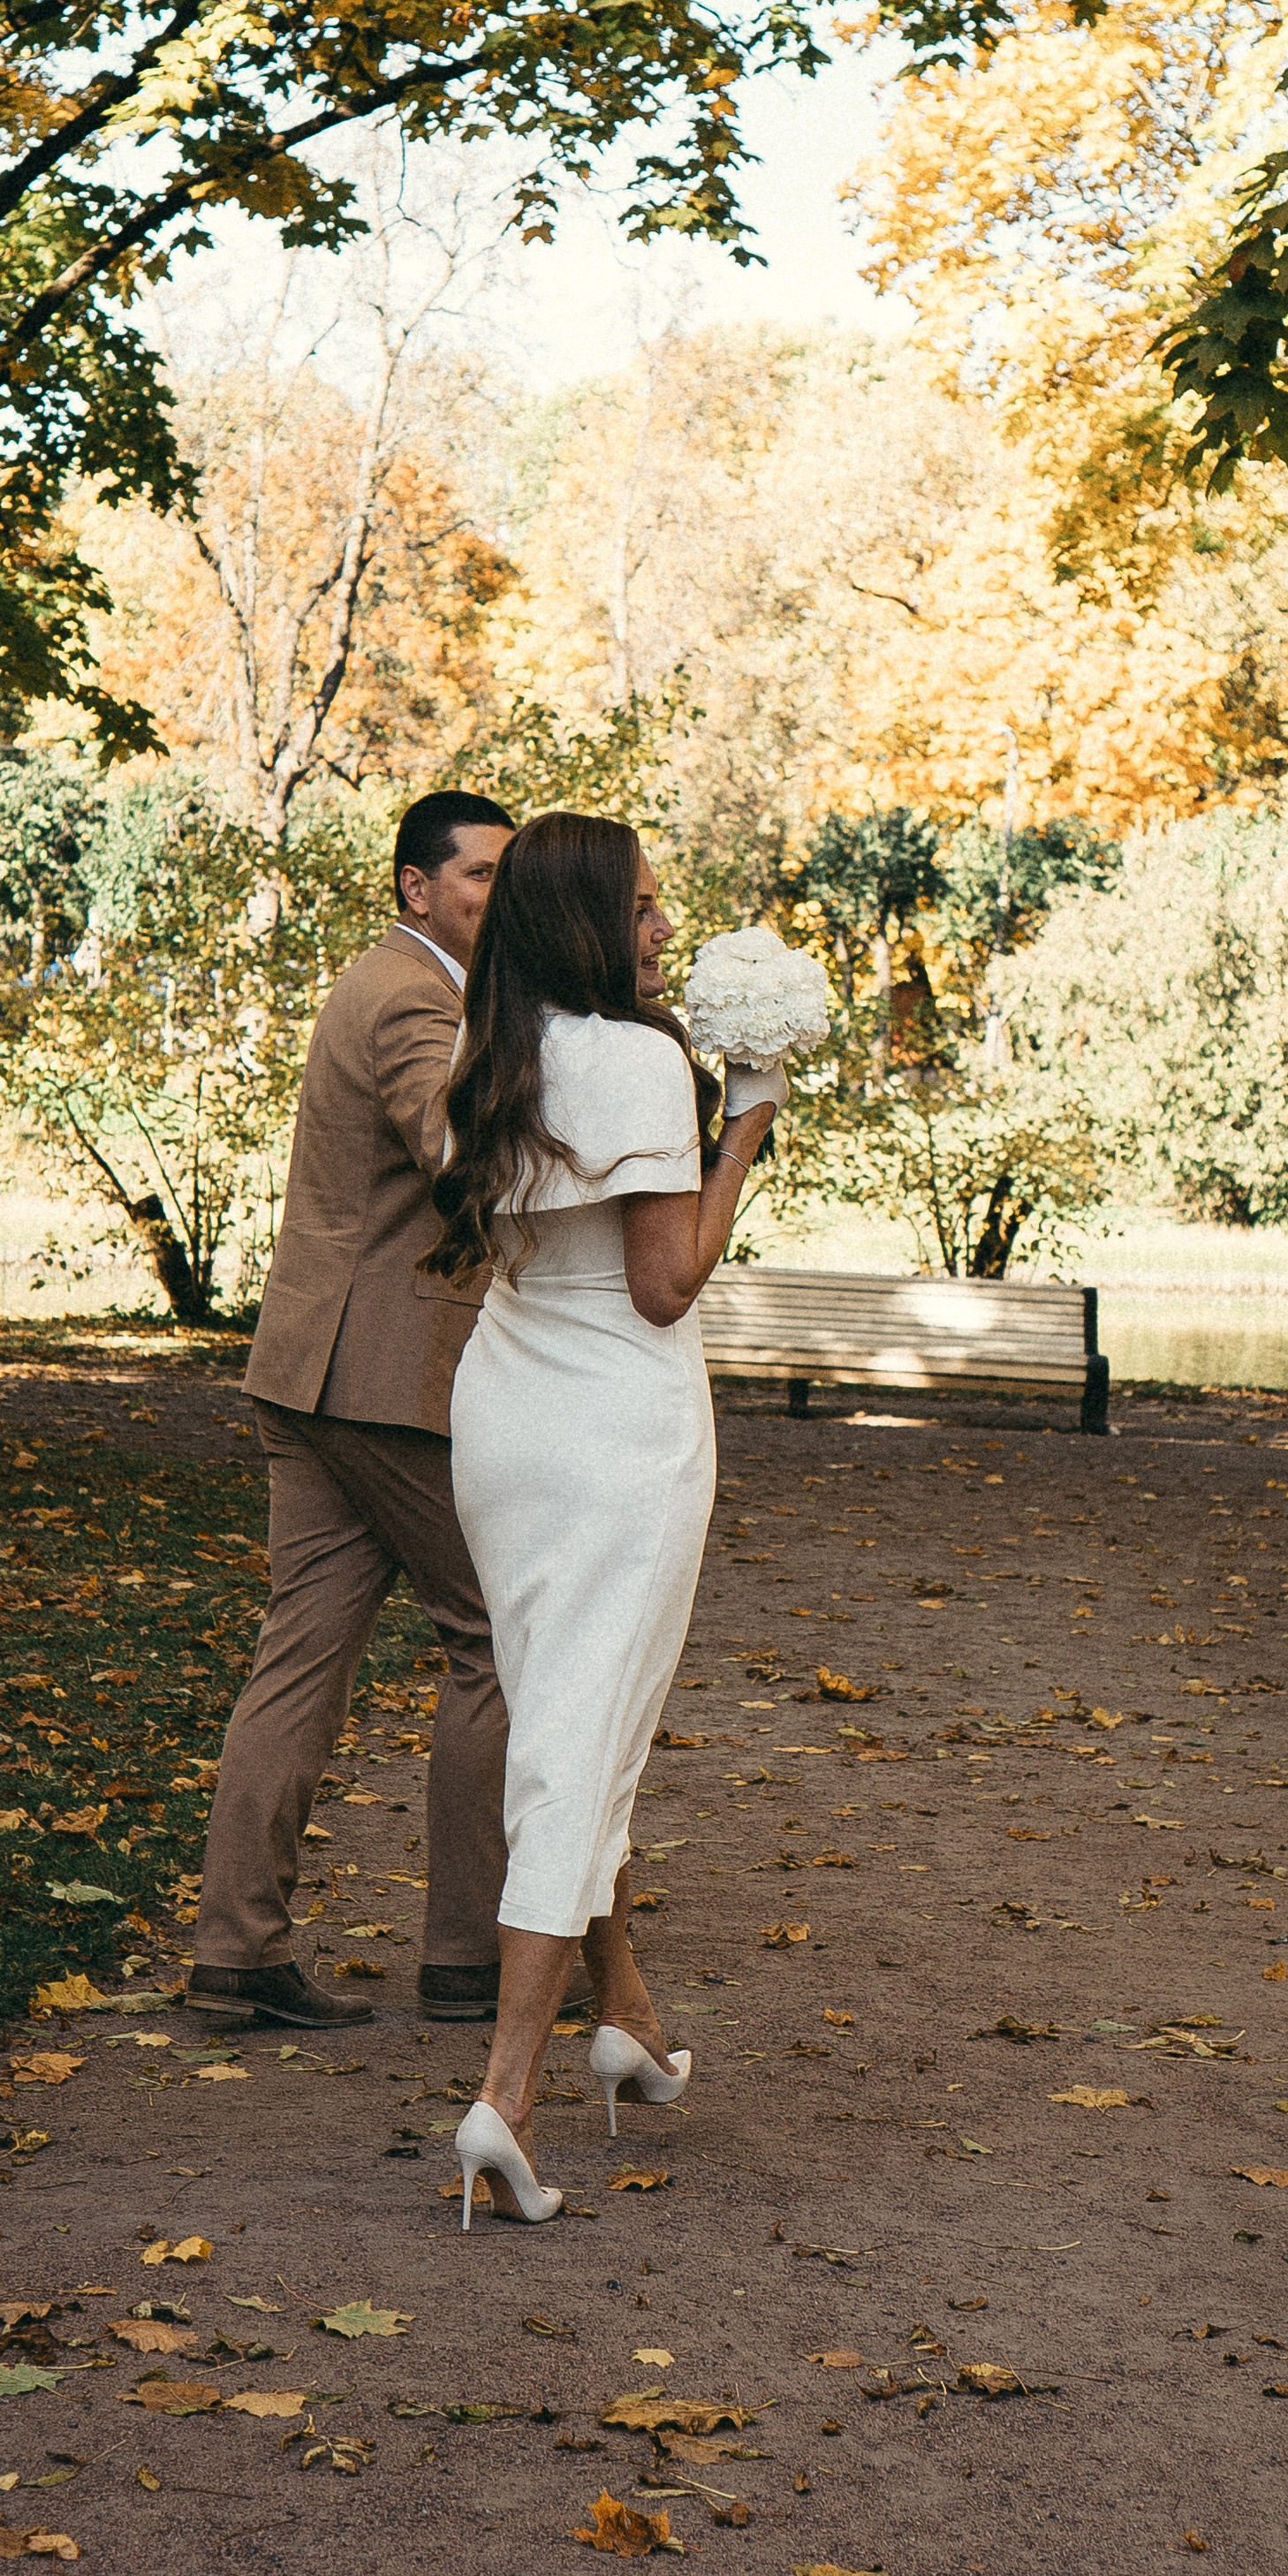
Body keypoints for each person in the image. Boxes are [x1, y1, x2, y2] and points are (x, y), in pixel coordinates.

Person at [425, 812, 778, 2225]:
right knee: (577, 1740)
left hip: (507, 1405)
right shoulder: (638, 1064)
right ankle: (506, 2097)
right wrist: (744, 1125)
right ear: (582, 923)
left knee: (573, 1711)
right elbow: (666, 1282)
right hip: (618, 1422)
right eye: (637, 908)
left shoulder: (490, 1050)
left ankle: (620, 2012)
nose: (657, 930)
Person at [187, 788, 517, 2032]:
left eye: (507, 874)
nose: (497, 894)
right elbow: (455, 1140)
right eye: (479, 874)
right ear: (414, 887)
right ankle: (467, 1956)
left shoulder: (398, 983)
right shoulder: (411, 996)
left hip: (313, 1373)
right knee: (498, 1641)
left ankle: (238, 1948)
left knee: (299, 1661)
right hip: (383, 1380)